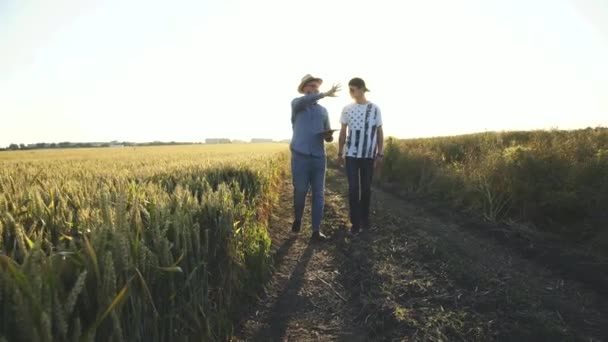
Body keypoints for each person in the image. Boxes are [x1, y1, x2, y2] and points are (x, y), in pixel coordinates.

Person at [290, 74, 341, 241]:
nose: (314, 89)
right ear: (304, 88)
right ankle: (298, 219)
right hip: (300, 156)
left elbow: (327, 134)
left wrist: (328, 136)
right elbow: (306, 101)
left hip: (319, 157)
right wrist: (325, 94)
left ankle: (315, 231)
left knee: (318, 194)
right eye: (311, 86)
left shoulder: (323, 111)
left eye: (316, 87)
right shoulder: (297, 104)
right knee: (301, 191)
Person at [337, 77, 384, 234]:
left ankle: (365, 220)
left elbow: (379, 132)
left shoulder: (375, 109)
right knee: (353, 189)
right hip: (351, 155)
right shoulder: (346, 109)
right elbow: (343, 132)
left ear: (362, 89)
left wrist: (380, 153)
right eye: (349, 89)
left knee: (366, 189)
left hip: (369, 156)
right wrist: (339, 152)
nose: (350, 92)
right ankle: (355, 224)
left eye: (353, 89)